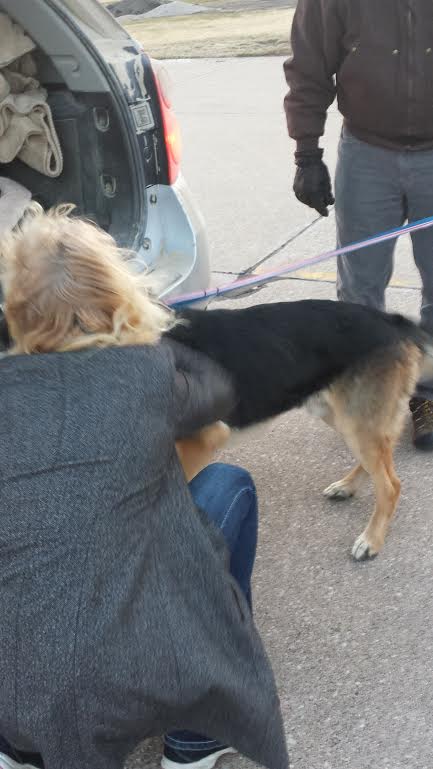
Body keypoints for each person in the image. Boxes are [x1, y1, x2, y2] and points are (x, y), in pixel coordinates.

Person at [0, 205, 288, 769]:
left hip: (22, 688)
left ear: (15, 310)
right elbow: (217, 388)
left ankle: (18, 746)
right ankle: (195, 736)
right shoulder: (146, 374)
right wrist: (142, 336)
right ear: (118, 296)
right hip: (133, 673)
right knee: (228, 488)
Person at [284, 0, 433, 450]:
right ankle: (368, 400)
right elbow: (309, 66)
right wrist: (307, 153)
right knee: (360, 291)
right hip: (367, 154)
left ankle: (427, 395)